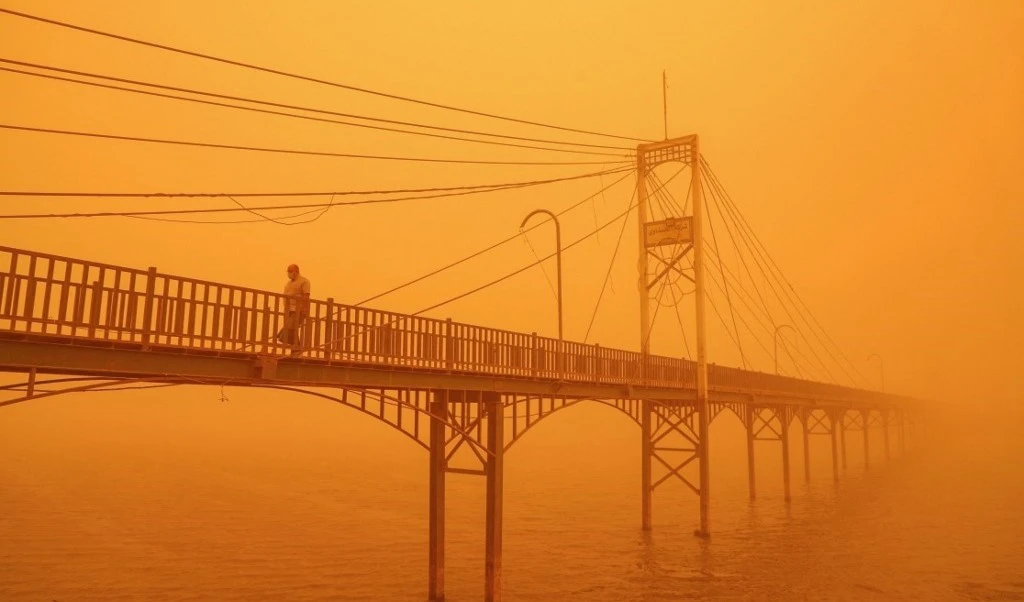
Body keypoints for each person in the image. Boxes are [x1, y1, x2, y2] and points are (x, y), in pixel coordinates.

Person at [277, 263, 310, 354]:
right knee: (292, 330)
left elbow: (306, 296)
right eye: (288, 272)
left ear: (296, 272)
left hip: (298, 309)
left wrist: (304, 310)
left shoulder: (304, 281)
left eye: (290, 271)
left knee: (289, 328)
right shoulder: (289, 283)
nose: (289, 274)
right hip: (288, 310)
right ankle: (296, 349)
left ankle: (296, 347)